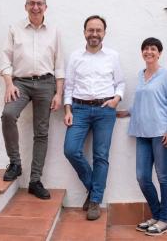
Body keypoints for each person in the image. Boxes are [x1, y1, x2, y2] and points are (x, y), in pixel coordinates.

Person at [0, 0, 64, 200]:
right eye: (31, 3)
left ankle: (35, 180)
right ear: (25, 6)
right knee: (8, 115)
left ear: (46, 7)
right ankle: (15, 163)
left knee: (41, 132)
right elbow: (5, 59)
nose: (35, 7)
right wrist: (9, 84)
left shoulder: (54, 31)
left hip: (46, 84)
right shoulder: (14, 29)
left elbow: (59, 63)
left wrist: (58, 93)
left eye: (39, 4)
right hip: (21, 83)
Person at [63, 15, 125, 220]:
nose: (94, 34)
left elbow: (121, 83)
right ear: (84, 32)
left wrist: (116, 99)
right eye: (91, 30)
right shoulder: (75, 56)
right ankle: (94, 189)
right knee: (71, 150)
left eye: (98, 30)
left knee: (101, 156)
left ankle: (95, 202)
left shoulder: (112, 56)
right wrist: (68, 109)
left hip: (105, 110)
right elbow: (69, 86)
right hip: (79, 109)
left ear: (104, 33)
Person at [118, 37, 167, 236]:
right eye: (145, 49)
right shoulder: (141, 74)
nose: (149, 52)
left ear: (159, 53)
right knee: (142, 177)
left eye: (153, 49)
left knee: (163, 176)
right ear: (142, 53)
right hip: (142, 132)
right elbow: (142, 101)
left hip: (162, 133)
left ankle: (165, 220)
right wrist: (127, 112)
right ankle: (157, 214)